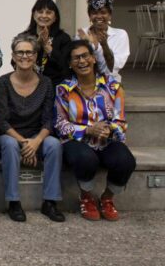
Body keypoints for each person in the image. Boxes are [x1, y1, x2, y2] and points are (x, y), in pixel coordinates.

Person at [55, 39, 136, 221]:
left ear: (93, 58)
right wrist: (88, 130)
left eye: (85, 56)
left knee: (126, 161)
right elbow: (60, 123)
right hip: (77, 141)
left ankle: (107, 198)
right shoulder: (63, 90)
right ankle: (86, 196)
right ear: (70, 63)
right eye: (76, 58)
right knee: (85, 158)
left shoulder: (113, 87)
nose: (81, 61)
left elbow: (120, 120)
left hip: (107, 140)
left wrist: (109, 129)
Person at [0, 33, 64, 223]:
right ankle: (14, 202)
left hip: (36, 135)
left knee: (54, 145)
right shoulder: (2, 83)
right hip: (10, 134)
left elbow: (49, 120)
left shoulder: (46, 83)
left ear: (35, 56)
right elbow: (1, 121)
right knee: (9, 144)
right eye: (20, 52)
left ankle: (50, 201)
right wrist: (25, 143)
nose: (25, 56)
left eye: (29, 52)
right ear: (14, 56)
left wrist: (36, 141)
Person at [78, 0, 130, 82]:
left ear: (110, 15)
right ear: (89, 16)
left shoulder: (120, 35)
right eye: (94, 13)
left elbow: (112, 69)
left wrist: (102, 46)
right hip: (85, 83)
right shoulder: (82, 34)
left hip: (110, 84)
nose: (99, 16)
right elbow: (78, 65)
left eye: (103, 12)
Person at [22, 0, 72, 86]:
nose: (44, 16)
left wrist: (47, 46)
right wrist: (36, 45)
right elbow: (15, 63)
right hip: (29, 87)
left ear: (55, 17)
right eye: (40, 12)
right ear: (34, 15)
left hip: (56, 87)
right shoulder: (24, 37)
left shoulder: (63, 38)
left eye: (48, 13)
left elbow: (66, 65)